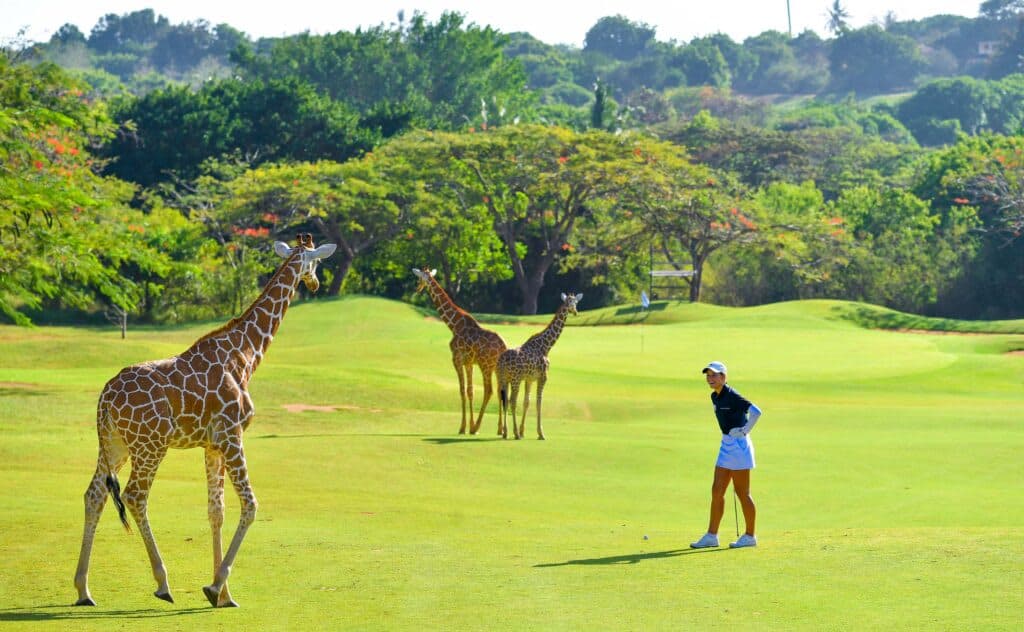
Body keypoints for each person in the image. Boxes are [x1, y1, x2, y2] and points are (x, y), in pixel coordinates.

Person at [690, 361, 762, 549]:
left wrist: (745, 430)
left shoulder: (732, 395)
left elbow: (756, 412)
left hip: (739, 446)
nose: (710, 379)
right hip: (726, 444)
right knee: (717, 490)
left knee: (742, 493)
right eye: (708, 375)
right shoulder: (715, 397)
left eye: (714, 375)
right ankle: (712, 535)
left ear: (724, 377)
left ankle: (750, 536)